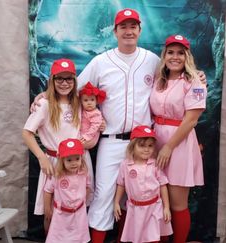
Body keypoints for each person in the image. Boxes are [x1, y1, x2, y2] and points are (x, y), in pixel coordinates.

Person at [31, 9, 206, 243]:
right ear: (115, 31)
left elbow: (175, 74)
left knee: (142, 194)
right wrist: (44, 94)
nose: (128, 31)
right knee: (103, 196)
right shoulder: (101, 61)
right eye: (123, 26)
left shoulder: (153, 60)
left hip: (143, 142)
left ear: (140, 30)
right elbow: (74, 86)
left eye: (133, 26)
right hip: (110, 141)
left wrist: (198, 76)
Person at [22, 58, 94, 233]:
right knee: (52, 212)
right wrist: (41, 158)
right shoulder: (45, 105)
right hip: (54, 163)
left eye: (69, 78)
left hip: (79, 161)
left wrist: (100, 125)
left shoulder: (79, 102)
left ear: (74, 81)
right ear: (52, 80)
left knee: (77, 207)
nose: (64, 83)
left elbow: (96, 108)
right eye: (59, 78)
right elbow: (27, 133)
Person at [150, 35, 207, 243]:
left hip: (179, 144)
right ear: (164, 55)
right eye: (171, 52)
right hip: (155, 141)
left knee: (176, 204)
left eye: (181, 53)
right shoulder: (158, 80)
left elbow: (191, 120)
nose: (175, 57)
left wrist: (168, 148)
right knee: (157, 199)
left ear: (187, 56)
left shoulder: (196, 83)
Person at [114, 125, 173, 243]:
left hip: (154, 208)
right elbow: (121, 184)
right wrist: (116, 202)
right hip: (135, 210)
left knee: (153, 238)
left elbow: (162, 185)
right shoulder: (126, 165)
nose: (146, 149)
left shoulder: (155, 164)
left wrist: (166, 207)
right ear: (132, 146)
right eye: (142, 145)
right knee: (138, 238)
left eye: (150, 146)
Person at [44, 138, 91, 243]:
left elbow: (88, 187)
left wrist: (82, 201)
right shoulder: (57, 175)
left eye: (77, 159)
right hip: (61, 215)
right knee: (59, 238)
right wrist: (47, 208)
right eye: (69, 160)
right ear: (62, 160)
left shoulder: (84, 174)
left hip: (79, 214)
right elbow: (48, 191)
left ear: (81, 158)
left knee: (79, 238)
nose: (74, 163)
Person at [79, 81, 106, 149]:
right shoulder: (83, 111)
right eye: (86, 100)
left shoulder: (96, 113)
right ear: (81, 102)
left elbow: (94, 127)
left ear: (96, 101)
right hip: (83, 134)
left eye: (92, 100)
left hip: (90, 138)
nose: (89, 103)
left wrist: (86, 137)